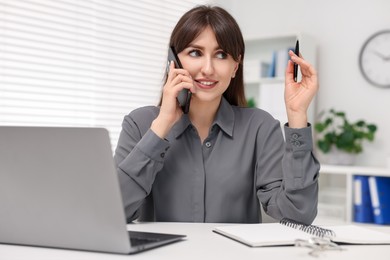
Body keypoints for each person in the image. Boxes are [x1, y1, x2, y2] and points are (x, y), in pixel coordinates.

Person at [114, 5, 320, 224]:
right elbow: (114, 213)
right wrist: (161, 126)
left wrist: (297, 115)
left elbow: (297, 217)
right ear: (172, 61)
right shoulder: (140, 124)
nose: (208, 68)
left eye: (221, 55)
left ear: (235, 66)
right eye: (195, 53)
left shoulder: (260, 127)